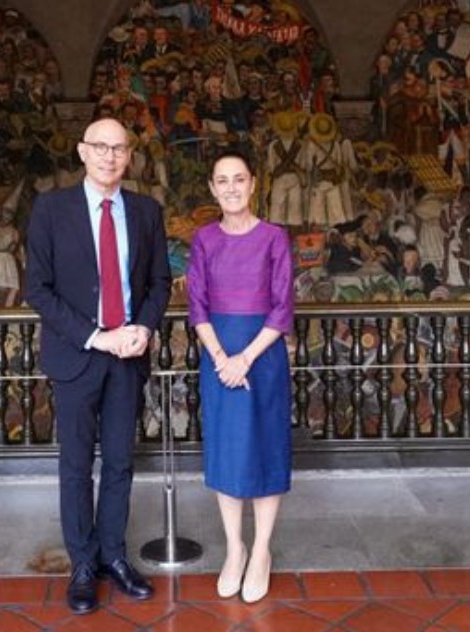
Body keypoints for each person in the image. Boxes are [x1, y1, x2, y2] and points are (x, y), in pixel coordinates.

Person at [25, 118, 172, 615]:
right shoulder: (51, 209)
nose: (110, 157)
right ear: (83, 152)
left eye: (119, 149)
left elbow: (159, 284)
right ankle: (82, 566)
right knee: (74, 466)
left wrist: (144, 329)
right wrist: (96, 336)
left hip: (128, 357)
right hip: (78, 357)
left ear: (129, 156)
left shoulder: (147, 211)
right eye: (101, 148)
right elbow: (37, 290)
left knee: (120, 462)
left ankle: (115, 555)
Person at [186, 150, 294, 603]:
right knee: (228, 453)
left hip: (262, 355)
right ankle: (235, 548)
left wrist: (244, 359)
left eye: (239, 179)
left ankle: (263, 550)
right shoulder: (204, 240)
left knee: (266, 451)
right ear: (212, 188)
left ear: (254, 184)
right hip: (218, 357)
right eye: (222, 180)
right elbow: (197, 307)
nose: (231, 187)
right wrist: (221, 359)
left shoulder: (274, 238)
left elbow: (283, 306)